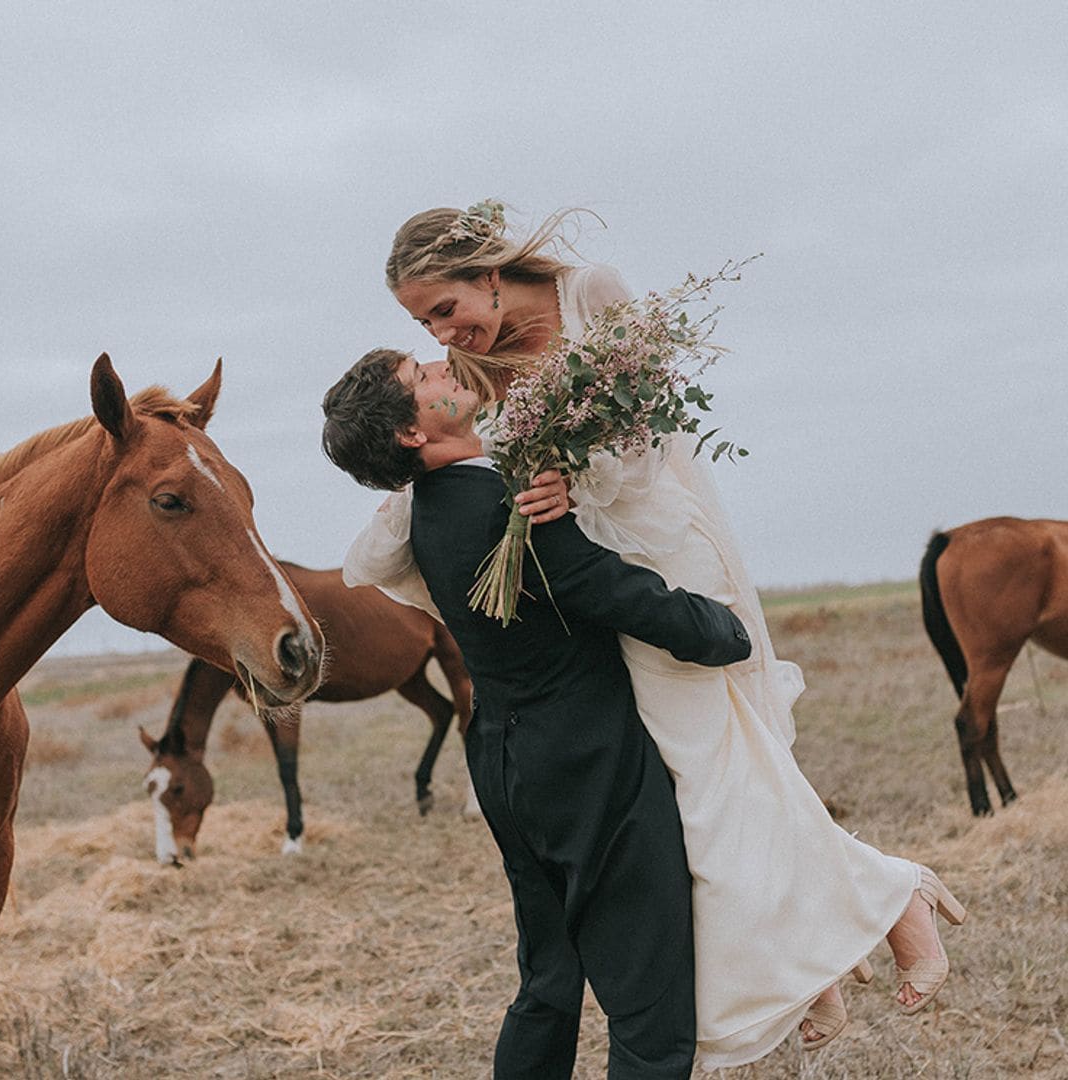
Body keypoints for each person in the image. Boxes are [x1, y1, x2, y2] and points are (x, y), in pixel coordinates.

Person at [345, 202, 968, 1065]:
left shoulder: (592, 293)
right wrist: (519, 499)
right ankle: (803, 966)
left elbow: (653, 438)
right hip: (580, 563)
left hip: (657, 548)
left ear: (486, 272)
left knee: (720, 760)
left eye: (444, 310)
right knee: (693, 794)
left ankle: (879, 908)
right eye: (422, 325)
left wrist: (567, 478)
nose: (445, 336)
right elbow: (479, 474)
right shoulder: (464, 370)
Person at [323, 348, 756, 1080]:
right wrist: (726, 631)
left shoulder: (433, 509)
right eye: (419, 379)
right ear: (411, 435)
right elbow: (608, 588)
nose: (439, 365)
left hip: (502, 757)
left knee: (549, 983)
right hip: (584, 768)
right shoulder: (498, 509)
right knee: (650, 1010)